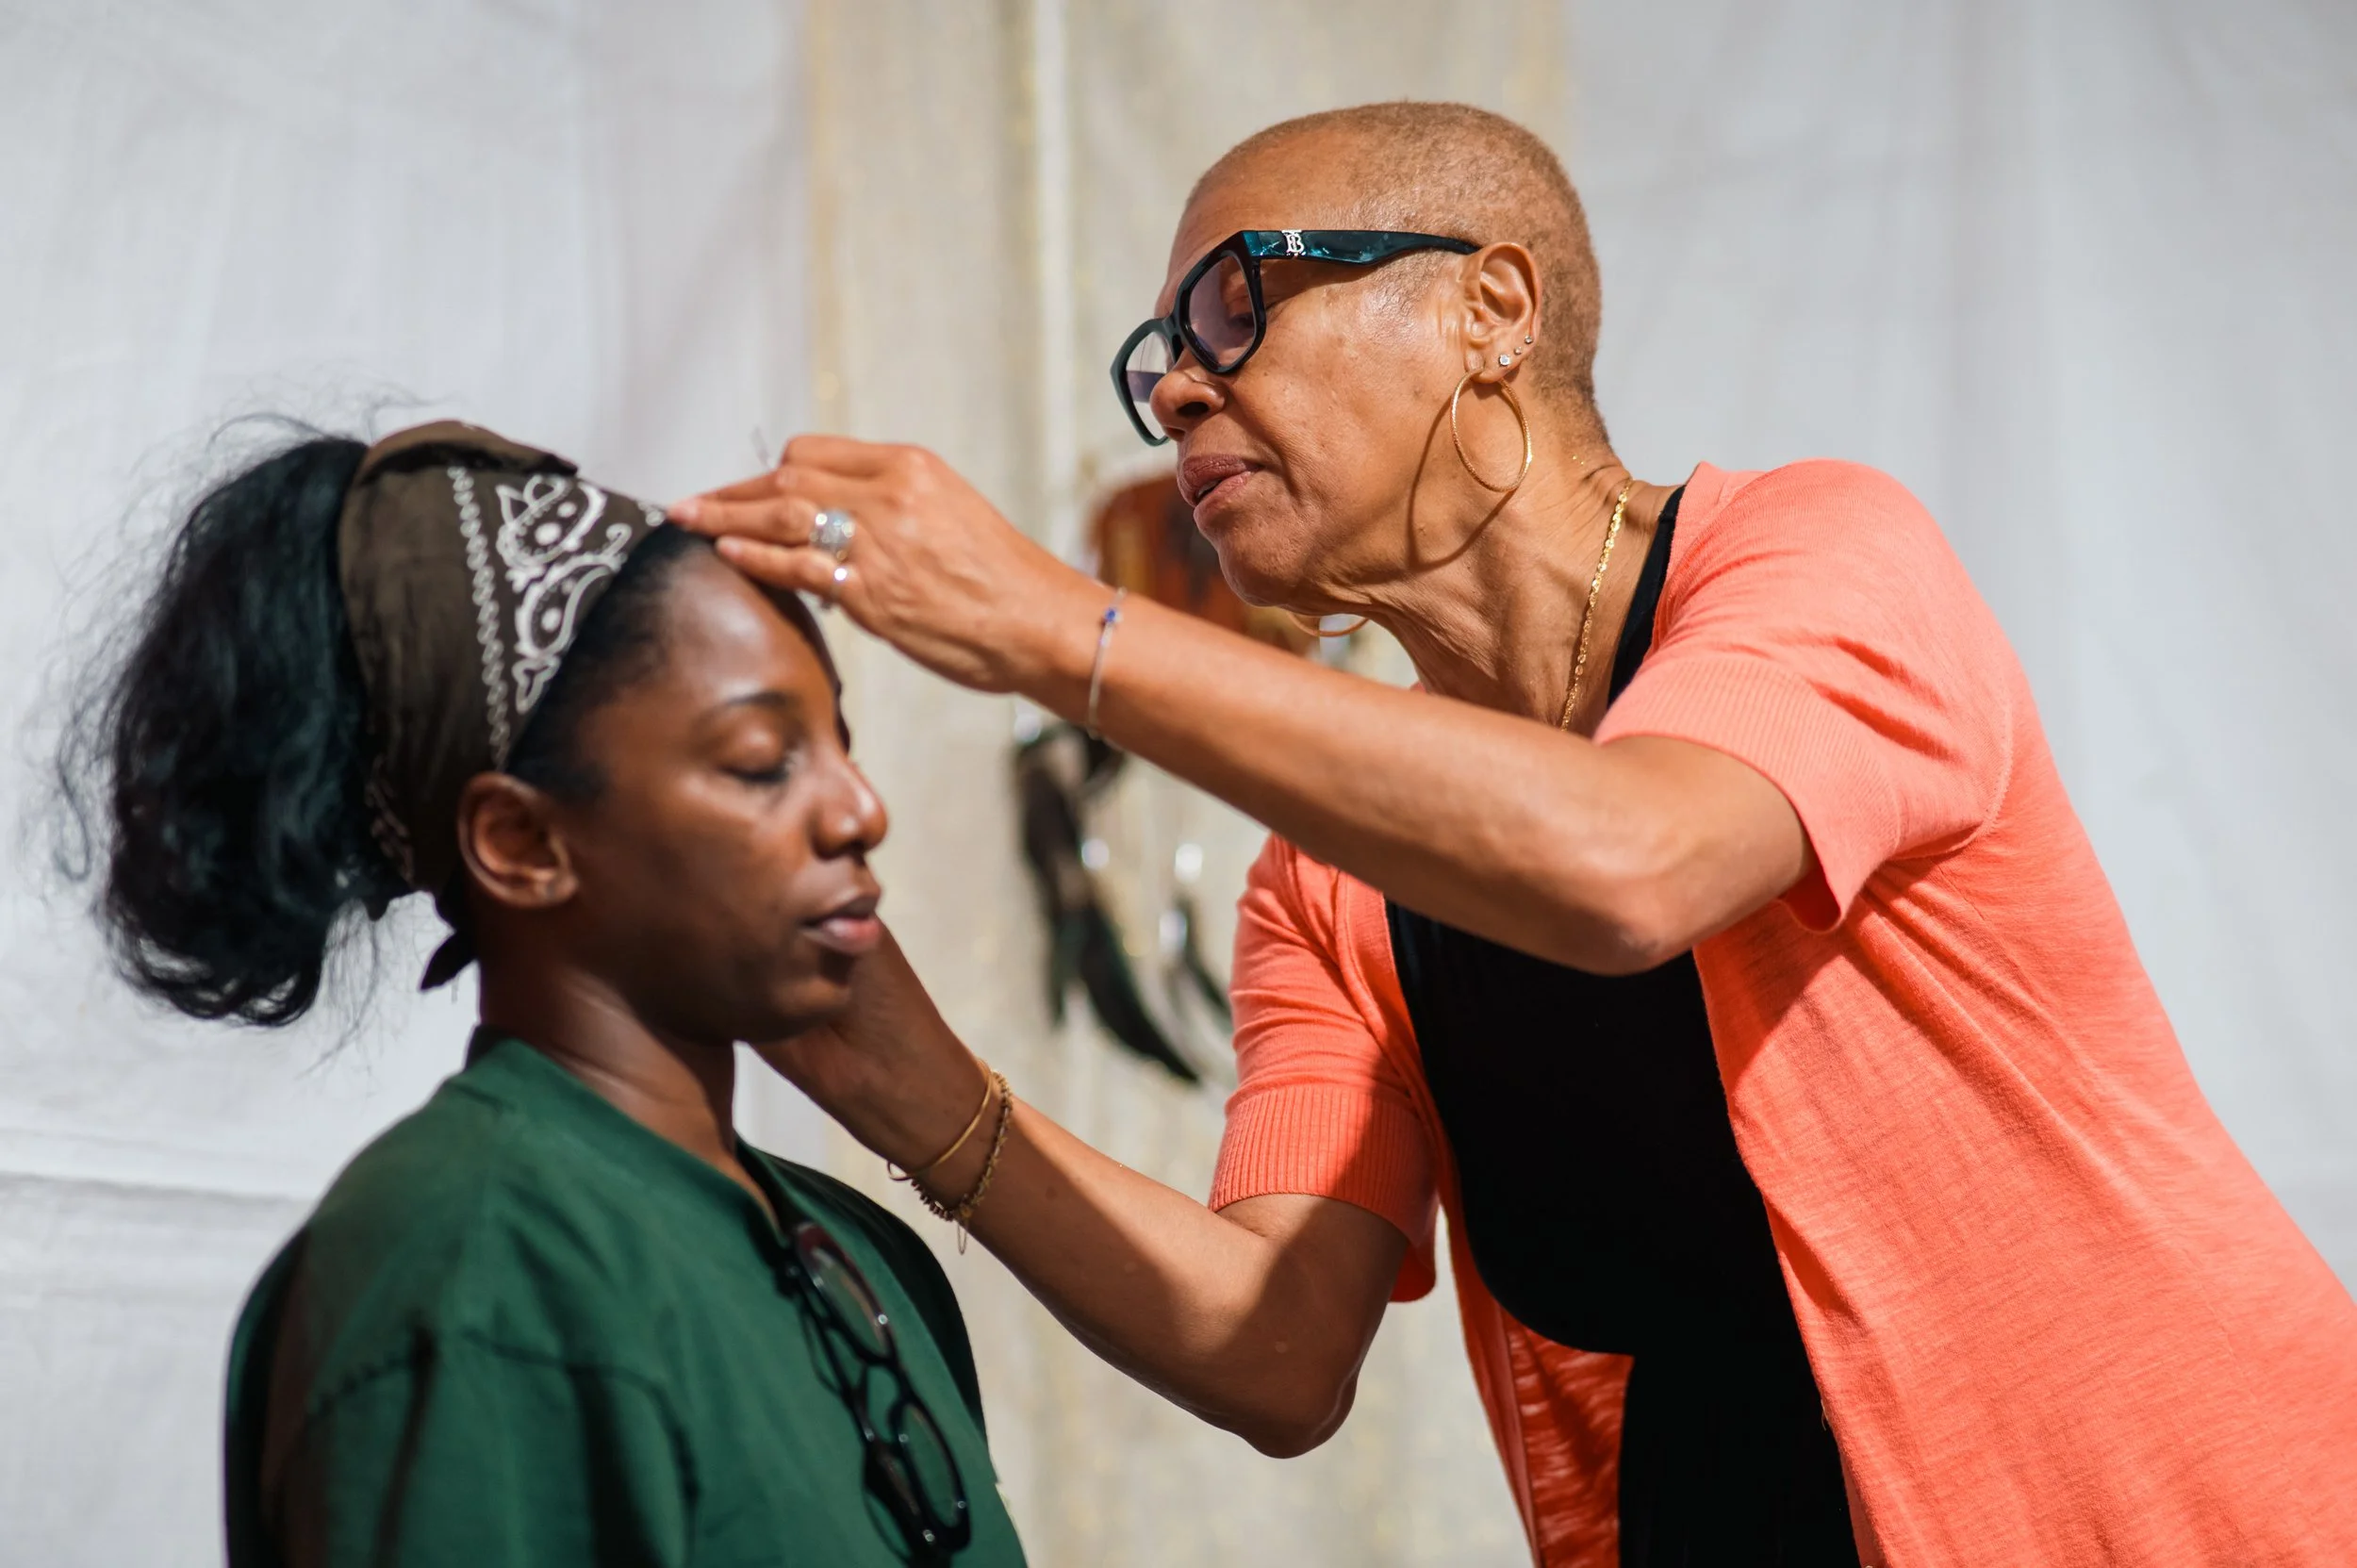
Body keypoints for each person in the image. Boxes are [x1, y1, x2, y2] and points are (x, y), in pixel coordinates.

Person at [674, 102, 2357, 1566]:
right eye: (1159, 359)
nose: (1178, 384)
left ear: (1492, 308)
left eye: (1231, 303)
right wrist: (864, 1045)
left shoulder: (1820, 556)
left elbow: (1631, 862)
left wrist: (1061, 631)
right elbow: (1273, 1343)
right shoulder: (1327, 884)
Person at [65, 421, 1027, 1566]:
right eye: (763, 758)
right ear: (521, 842)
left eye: (838, 743)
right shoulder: (469, 1268)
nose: (859, 808)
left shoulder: (869, 1257)